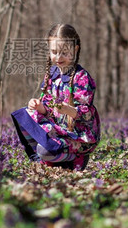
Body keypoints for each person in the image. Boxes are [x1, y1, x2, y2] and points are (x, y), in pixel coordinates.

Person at [11, 24, 100, 171]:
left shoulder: (81, 77)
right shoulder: (51, 74)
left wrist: (67, 109)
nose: (58, 57)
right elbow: (47, 108)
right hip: (56, 130)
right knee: (24, 114)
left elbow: (87, 114)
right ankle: (50, 160)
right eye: (54, 52)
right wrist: (40, 107)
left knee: (45, 150)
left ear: (75, 49)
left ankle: (76, 156)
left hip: (76, 135)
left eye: (64, 52)